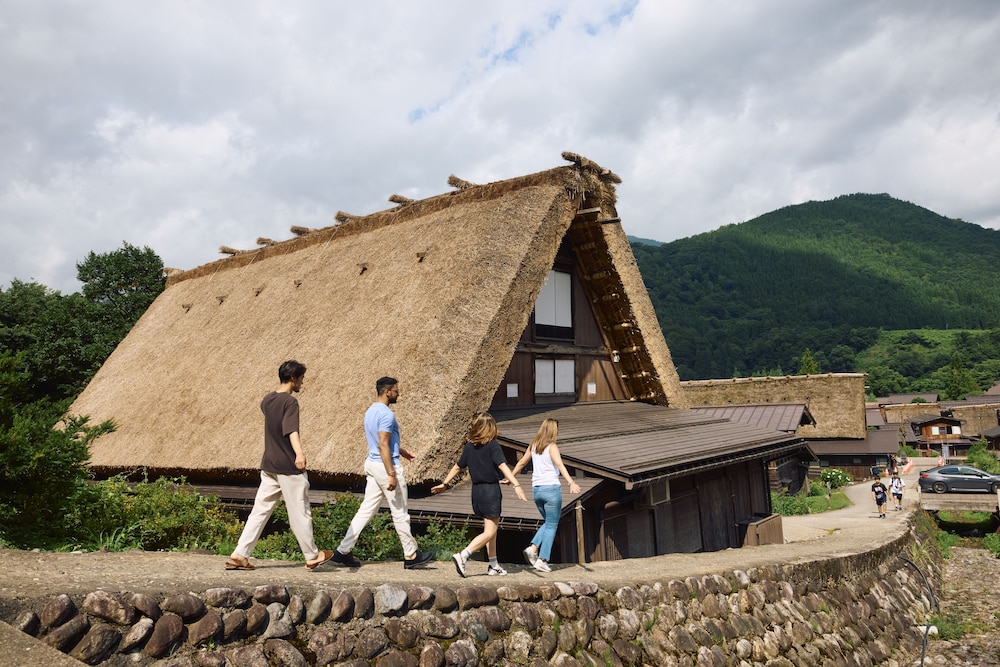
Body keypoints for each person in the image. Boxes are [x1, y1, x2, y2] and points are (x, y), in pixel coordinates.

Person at [225, 360, 334, 571]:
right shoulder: (290, 402)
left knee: (260, 511)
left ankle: (240, 554)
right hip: (287, 465)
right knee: (300, 511)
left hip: (269, 465)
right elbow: (291, 430)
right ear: (293, 378)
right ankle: (312, 556)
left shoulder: (267, 400)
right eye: (301, 378)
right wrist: (299, 454)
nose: (303, 382)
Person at [332, 376, 434, 569]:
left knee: (367, 509)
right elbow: (383, 444)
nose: (398, 393)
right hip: (385, 466)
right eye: (396, 390)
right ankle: (411, 555)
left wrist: (403, 452)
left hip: (372, 463)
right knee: (400, 512)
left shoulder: (370, 411)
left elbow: (382, 441)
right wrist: (391, 474)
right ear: (387, 392)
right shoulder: (387, 415)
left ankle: (342, 551)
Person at [432, 412, 526, 577]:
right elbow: (503, 466)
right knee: (490, 532)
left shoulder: (469, 447)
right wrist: (516, 484)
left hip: (476, 492)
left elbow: (457, 466)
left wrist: (445, 484)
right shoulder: (493, 445)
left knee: (490, 531)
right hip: (490, 491)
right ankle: (464, 555)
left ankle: (493, 565)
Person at [508, 418, 581, 573]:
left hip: (537, 490)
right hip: (551, 489)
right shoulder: (552, 446)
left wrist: (511, 478)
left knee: (548, 523)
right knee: (552, 525)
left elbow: (521, 463)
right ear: (553, 431)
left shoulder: (533, 445)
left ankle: (533, 548)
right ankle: (542, 558)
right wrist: (571, 482)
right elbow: (560, 465)